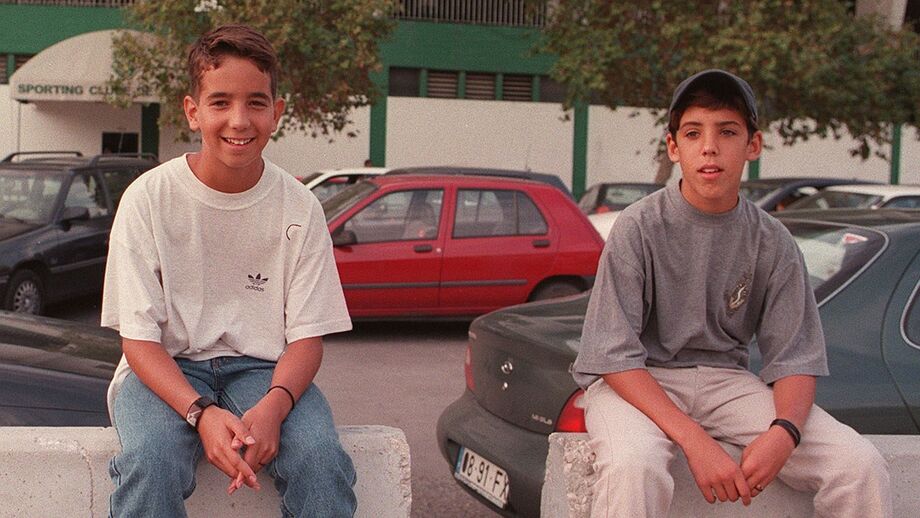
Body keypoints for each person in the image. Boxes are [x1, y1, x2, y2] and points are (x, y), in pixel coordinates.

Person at [572, 69, 890, 518]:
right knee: (634, 464)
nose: (709, 147)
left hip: (727, 382)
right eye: (693, 132)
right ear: (673, 147)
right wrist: (694, 440)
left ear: (753, 145)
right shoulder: (639, 226)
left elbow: (795, 359)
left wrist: (783, 433)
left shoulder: (772, 240)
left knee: (858, 464)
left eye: (727, 131)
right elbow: (611, 356)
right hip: (638, 381)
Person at [101, 24, 356, 517]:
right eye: (220, 102)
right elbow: (138, 340)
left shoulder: (300, 207)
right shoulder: (148, 199)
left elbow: (307, 337)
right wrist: (200, 413)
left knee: (321, 460)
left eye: (256, 103)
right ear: (192, 111)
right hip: (165, 370)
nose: (238, 120)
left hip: (264, 371)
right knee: (149, 461)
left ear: (277, 113)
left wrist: (276, 406)